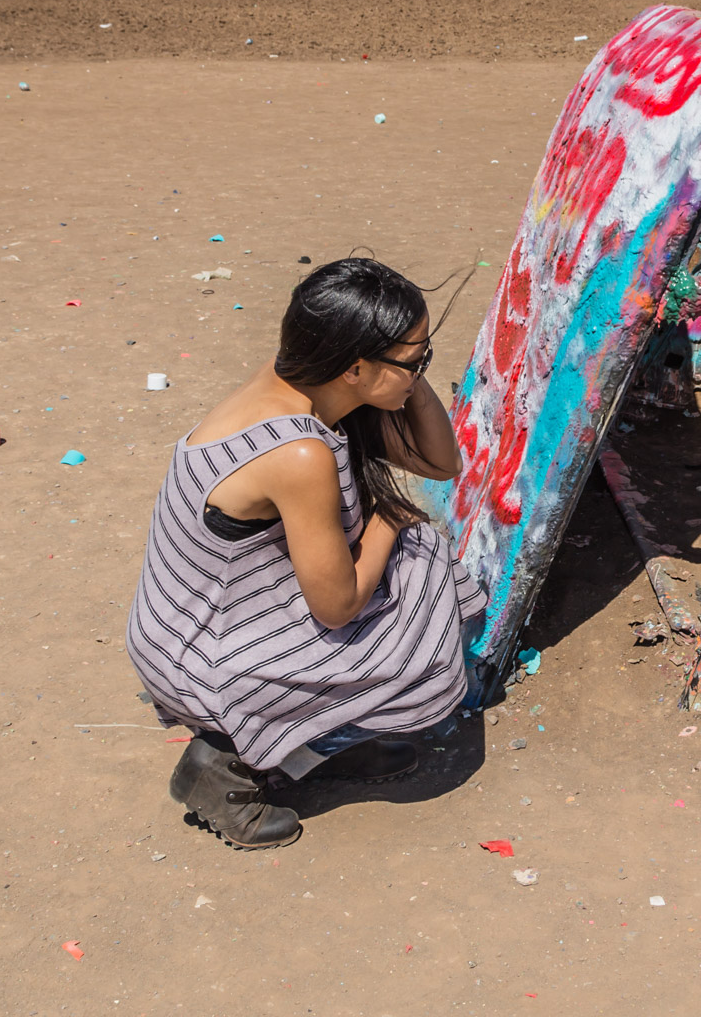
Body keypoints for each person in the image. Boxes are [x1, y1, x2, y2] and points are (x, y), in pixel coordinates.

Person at [127, 257, 483, 849]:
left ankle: (307, 743)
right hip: (204, 659)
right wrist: (392, 519)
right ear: (354, 367)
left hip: (195, 623)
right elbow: (338, 607)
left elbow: (441, 463)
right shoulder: (298, 452)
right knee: (423, 602)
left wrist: (402, 373)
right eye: (414, 360)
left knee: (419, 562)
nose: (420, 371)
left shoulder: (299, 379)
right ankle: (227, 763)